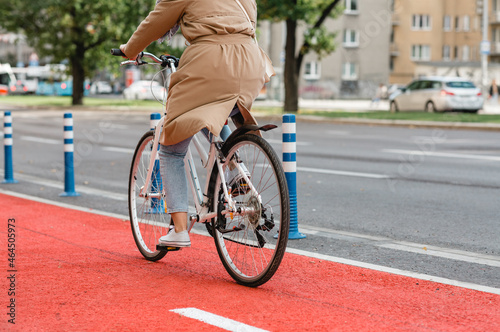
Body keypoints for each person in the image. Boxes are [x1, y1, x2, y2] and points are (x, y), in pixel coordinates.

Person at [120, 0, 266, 247]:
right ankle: (236, 173)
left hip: (211, 63)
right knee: (215, 111)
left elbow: (155, 23)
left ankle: (179, 230)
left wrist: (130, 49)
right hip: (251, 63)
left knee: (171, 149)